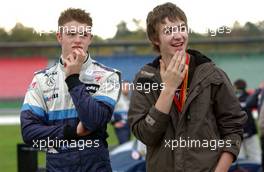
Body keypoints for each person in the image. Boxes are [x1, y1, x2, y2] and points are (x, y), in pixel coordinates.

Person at [128, 2, 247, 172]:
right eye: (169, 31)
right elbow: (145, 135)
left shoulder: (212, 75)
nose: (178, 36)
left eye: (182, 28)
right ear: (155, 39)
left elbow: (234, 128)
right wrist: (168, 90)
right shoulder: (144, 79)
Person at [20, 8, 120, 172]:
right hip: (57, 167)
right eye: (71, 34)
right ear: (59, 37)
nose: (78, 40)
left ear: (90, 39)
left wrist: (73, 78)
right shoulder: (41, 80)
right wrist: (71, 131)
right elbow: (29, 133)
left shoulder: (108, 76)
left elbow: (94, 121)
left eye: (83, 35)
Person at [234, 79, 261, 163]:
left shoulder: (232, 98)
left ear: (235, 87)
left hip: (243, 131)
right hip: (246, 131)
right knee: (253, 156)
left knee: (241, 157)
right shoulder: (250, 96)